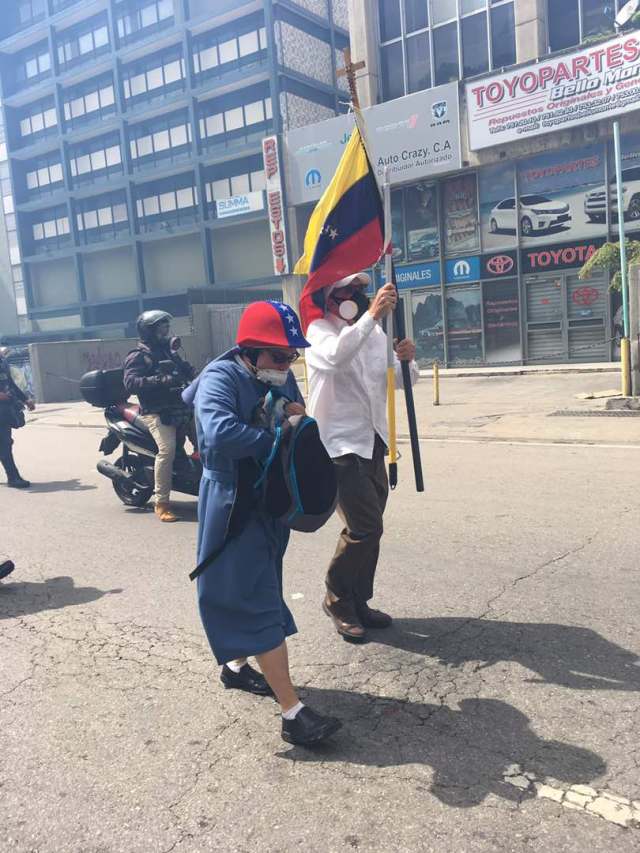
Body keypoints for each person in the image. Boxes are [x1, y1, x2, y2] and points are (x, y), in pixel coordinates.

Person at [184, 300, 341, 746]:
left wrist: (295, 417)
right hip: (233, 499)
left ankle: (234, 668)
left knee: (262, 585)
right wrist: (279, 434)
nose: (286, 363)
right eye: (278, 355)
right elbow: (217, 434)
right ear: (249, 351)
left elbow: (295, 411)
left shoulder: (277, 372)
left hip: (268, 498)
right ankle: (293, 713)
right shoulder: (221, 378)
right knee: (255, 600)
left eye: (292, 355)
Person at [302, 273, 419, 643]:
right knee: (366, 527)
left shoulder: (375, 334)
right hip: (337, 447)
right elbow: (336, 358)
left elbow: (400, 380)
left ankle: (358, 600)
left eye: (357, 289)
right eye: (344, 291)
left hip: (373, 442)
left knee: (370, 532)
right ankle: (336, 600)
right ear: (329, 297)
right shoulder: (319, 330)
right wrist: (370, 317)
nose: (352, 295)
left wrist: (408, 360)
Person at [123, 311, 195, 522]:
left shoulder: (169, 351)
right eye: (161, 326)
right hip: (156, 412)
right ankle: (161, 503)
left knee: (208, 437)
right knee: (167, 450)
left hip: (180, 407)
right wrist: (160, 380)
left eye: (166, 326)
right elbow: (130, 383)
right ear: (149, 330)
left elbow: (187, 370)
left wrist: (205, 378)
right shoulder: (138, 355)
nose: (166, 330)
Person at [0, 346, 35, 489]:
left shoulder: (3, 361)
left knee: (5, 443)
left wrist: (26, 399)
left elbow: (10, 384)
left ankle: (13, 477)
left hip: (4, 409)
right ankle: (13, 477)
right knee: (4, 444)